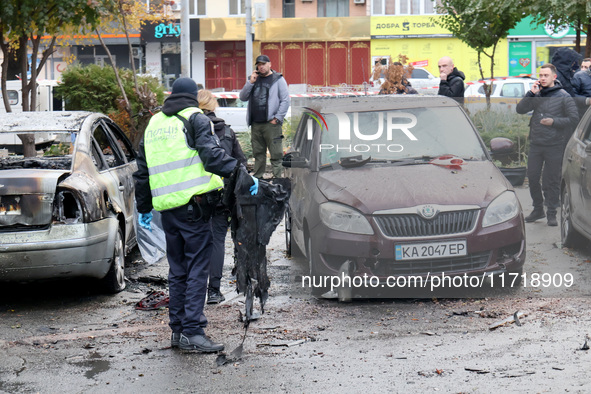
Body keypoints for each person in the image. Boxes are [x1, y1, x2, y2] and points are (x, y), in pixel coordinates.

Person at [134, 77, 258, 353]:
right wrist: (243, 174)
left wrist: (144, 209)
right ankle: (193, 331)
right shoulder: (196, 118)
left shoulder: (154, 123)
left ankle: (178, 331)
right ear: (193, 96)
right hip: (195, 207)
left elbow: (142, 172)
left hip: (168, 210)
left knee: (177, 271)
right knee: (197, 270)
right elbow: (212, 157)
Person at [197, 89, 248, 304]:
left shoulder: (189, 129)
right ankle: (214, 291)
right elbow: (241, 162)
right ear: (213, 105)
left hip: (195, 195)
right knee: (217, 239)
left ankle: (193, 290)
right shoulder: (226, 131)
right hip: (222, 194)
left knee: (195, 241)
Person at [516, 64, 579, 227]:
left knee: (552, 180)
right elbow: (520, 109)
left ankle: (551, 213)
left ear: (554, 77)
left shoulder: (564, 96)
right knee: (533, 177)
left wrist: (554, 122)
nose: (542, 78)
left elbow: (574, 119)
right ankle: (538, 209)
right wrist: (531, 93)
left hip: (554, 145)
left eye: (546, 75)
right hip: (536, 143)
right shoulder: (536, 94)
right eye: (541, 75)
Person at [239, 54, 290, 179]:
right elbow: (243, 97)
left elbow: (285, 100)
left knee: (276, 153)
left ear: (269, 64)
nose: (261, 67)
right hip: (256, 124)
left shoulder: (278, 79)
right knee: (258, 153)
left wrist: (277, 118)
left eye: (263, 64)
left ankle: (278, 178)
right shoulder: (253, 80)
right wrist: (251, 82)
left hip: (271, 124)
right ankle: (258, 178)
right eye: (259, 65)